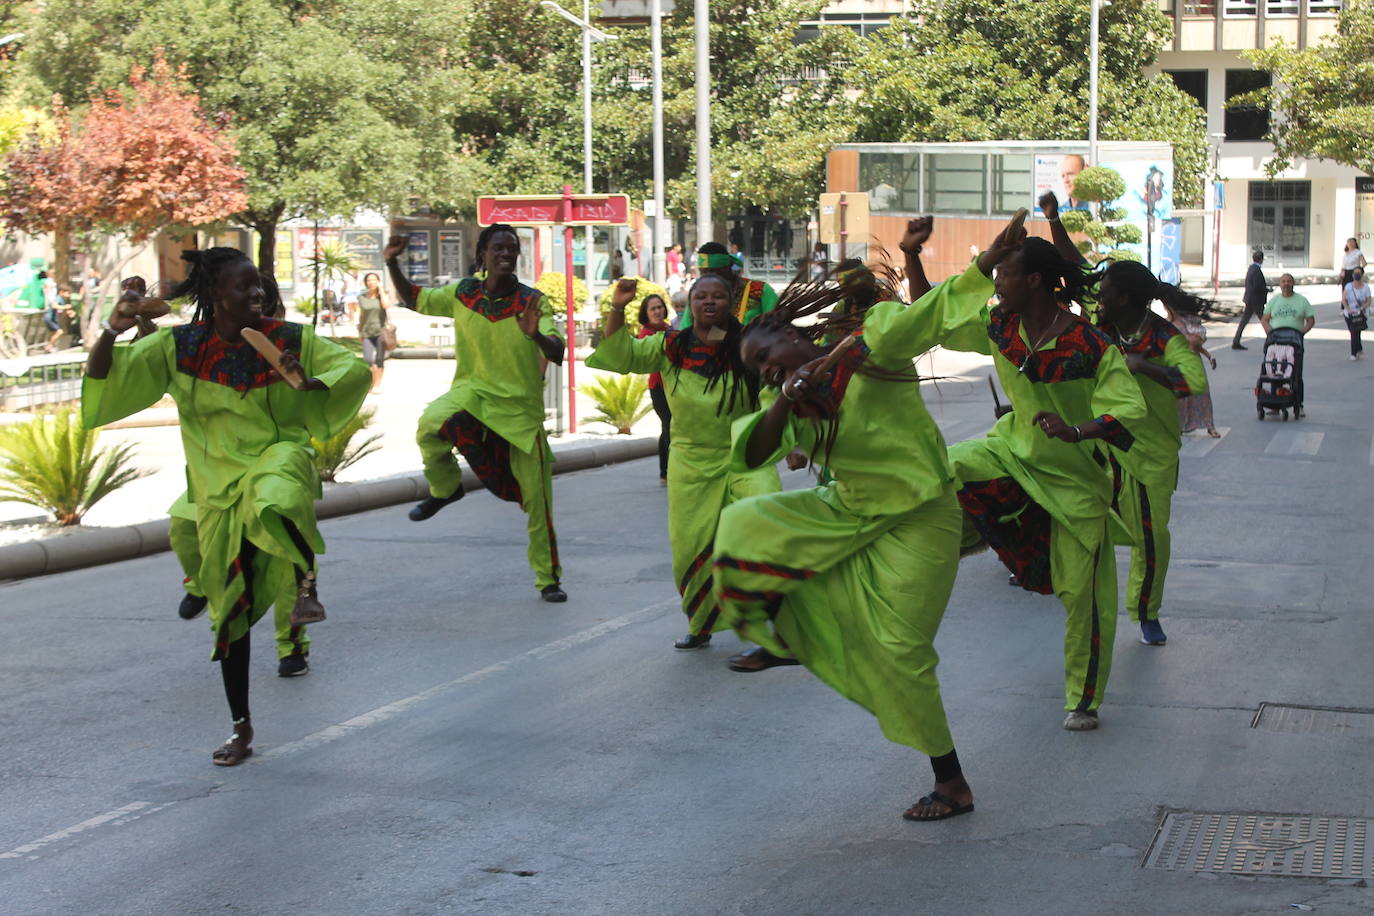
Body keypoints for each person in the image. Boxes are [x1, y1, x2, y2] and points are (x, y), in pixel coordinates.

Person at [714, 216, 1022, 821]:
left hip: (920, 515)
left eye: (767, 356)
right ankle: (785, 640)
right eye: (757, 371)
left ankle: (951, 782)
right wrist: (784, 396)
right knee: (744, 523)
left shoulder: (872, 343)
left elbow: (927, 316)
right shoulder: (794, 402)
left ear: (788, 333)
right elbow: (751, 453)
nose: (766, 370)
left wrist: (983, 266)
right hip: (847, 509)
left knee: (901, 650)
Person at [82, 248, 370, 765]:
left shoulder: (289, 339)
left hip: (279, 458)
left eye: (258, 286)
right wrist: (113, 328)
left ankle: (307, 585)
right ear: (216, 293)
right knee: (230, 621)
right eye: (244, 287)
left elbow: (351, 367)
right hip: (217, 493)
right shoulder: (180, 347)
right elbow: (107, 375)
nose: (257, 294)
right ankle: (241, 727)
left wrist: (311, 381)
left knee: (276, 491)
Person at [946, 236, 1147, 731]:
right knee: (944, 464)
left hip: (1075, 482)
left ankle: (1083, 699)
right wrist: (911, 256)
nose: (996, 283)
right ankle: (970, 535)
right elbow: (939, 318)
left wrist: (1076, 430)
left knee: (1085, 597)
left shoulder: (1089, 344)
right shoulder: (999, 325)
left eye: (1003, 275)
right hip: (1011, 452)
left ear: (1033, 280)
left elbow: (1129, 408)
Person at [589, 275, 779, 649]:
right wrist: (617, 306)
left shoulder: (751, 347)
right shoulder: (670, 346)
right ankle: (702, 623)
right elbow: (620, 351)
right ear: (690, 305)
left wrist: (790, 441)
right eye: (701, 296)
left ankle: (760, 622)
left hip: (746, 454)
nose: (709, 302)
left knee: (762, 529)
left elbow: (774, 395)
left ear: (730, 302)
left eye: (719, 296)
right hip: (690, 461)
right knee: (692, 547)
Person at [385, 225, 569, 603]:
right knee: (429, 425)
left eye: (512, 248)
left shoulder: (533, 301)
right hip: (472, 395)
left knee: (538, 503)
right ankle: (446, 489)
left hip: (519, 411)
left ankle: (548, 578)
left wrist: (534, 334)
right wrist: (392, 263)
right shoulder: (463, 293)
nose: (505, 253)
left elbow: (557, 351)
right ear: (482, 253)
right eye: (498, 247)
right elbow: (414, 298)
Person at [1094, 261, 1210, 647]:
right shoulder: (1102, 330)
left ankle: (1146, 613)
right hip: (1102, 442)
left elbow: (1193, 381)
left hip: (1151, 453)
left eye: (1106, 291)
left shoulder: (1165, 338)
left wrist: (1145, 367)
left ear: (1125, 298)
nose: (1098, 296)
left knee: (1151, 538)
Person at [678, 241, 778, 331]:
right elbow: (685, 330)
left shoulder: (760, 290)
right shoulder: (699, 296)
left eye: (715, 273)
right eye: (704, 274)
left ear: (728, 268)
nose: (710, 279)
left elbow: (777, 327)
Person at [635, 293, 674, 484]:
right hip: (659, 387)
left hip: (674, 387)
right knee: (669, 426)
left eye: (659, 307)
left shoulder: (669, 328)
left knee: (669, 427)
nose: (658, 311)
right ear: (646, 313)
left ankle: (666, 471)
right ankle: (666, 471)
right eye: (653, 308)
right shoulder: (646, 334)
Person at [1165, 303, 1219, 437]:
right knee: (1180, 398)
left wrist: (1209, 356)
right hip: (1175, 363)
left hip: (1192, 363)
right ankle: (1181, 425)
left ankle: (1209, 426)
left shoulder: (1188, 323)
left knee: (1203, 395)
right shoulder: (1167, 324)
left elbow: (1196, 346)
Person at [355, 271, 388, 391]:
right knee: (368, 359)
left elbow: (386, 305)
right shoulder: (362, 297)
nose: (371, 282)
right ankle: (373, 381)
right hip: (367, 332)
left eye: (374, 280)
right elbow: (362, 315)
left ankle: (377, 385)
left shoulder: (382, 296)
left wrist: (381, 290)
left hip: (381, 332)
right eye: (369, 280)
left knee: (380, 359)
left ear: (378, 281)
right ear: (365, 282)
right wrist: (360, 330)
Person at [1233, 250, 1268, 350]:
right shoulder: (1256, 270)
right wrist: (1266, 289)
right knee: (1265, 320)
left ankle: (1236, 341)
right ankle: (1273, 340)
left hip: (1250, 299)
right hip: (1256, 301)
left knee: (1244, 321)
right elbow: (1257, 286)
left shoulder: (1251, 268)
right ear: (1261, 260)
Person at [1341, 266, 1370, 360]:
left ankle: (1356, 350)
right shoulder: (1348, 286)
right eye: (1355, 273)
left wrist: (1362, 307)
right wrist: (1348, 309)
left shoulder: (1365, 287)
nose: (1356, 275)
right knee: (1353, 331)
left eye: (1358, 273)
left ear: (1361, 275)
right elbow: (1343, 300)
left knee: (1356, 331)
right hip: (1349, 313)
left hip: (1360, 313)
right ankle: (1356, 351)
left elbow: (1369, 301)